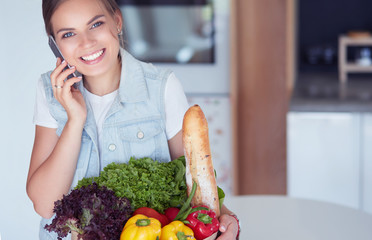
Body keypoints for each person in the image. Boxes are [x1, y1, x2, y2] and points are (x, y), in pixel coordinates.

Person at [26, 0, 240, 239]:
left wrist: (226, 216)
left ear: (117, 21)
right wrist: (75, 121)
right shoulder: (49, 91)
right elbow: (45, 206)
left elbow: (191, 180)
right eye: (68, 34)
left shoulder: (162, 87)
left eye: (95, 24)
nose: (86, 43)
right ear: (54, 44)